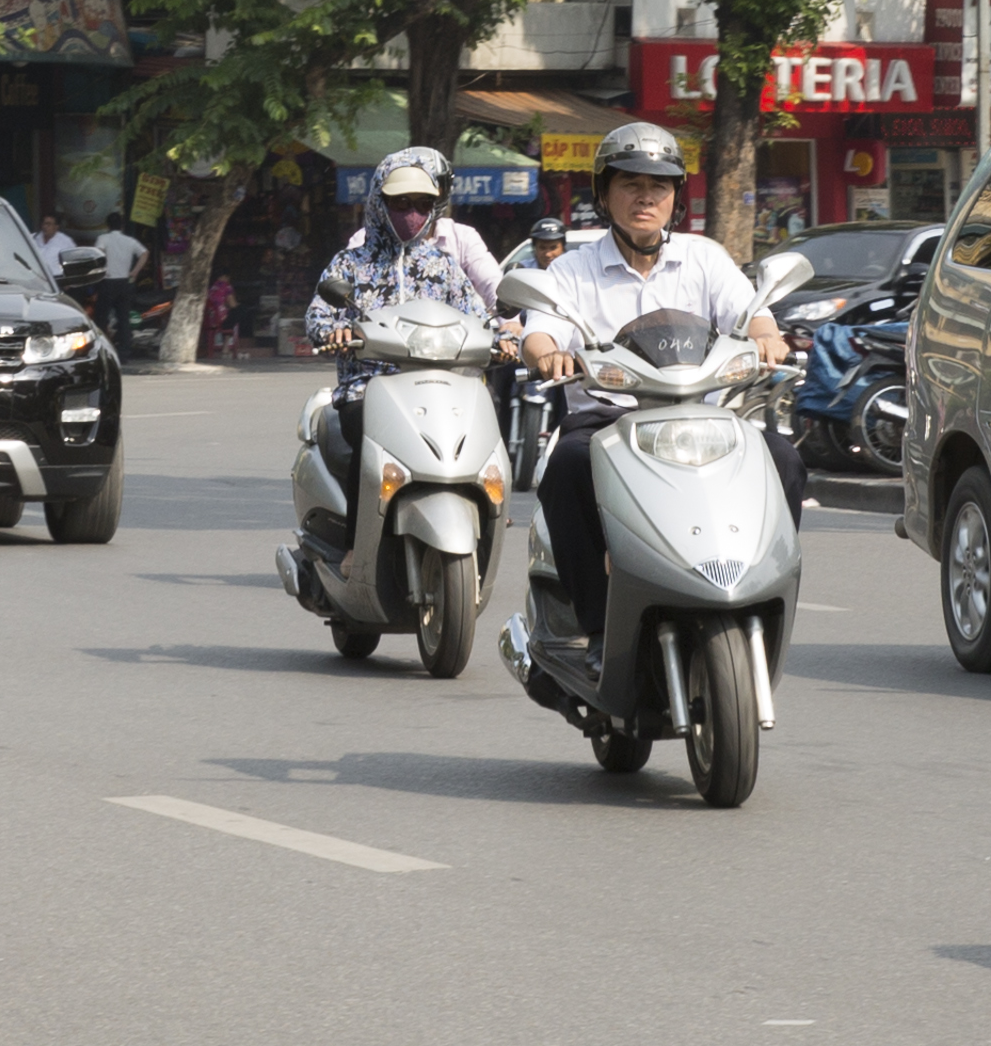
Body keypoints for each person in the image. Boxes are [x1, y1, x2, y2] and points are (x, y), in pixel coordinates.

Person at [504, 120, 788, 660]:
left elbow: (753, 315)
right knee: (564, 467)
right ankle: (599, 629)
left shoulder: (705, 259)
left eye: (659, 186)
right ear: (604, 193)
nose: (645, 197)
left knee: (782, 460)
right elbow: (540, 331)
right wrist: (547, 354)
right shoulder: (571, 270)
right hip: (607, 423)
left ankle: (758, 599)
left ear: (676, 198)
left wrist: (768, 340)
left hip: (700, 422)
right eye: (630, 183)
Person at [304, 144, 501, 489]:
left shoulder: (443, 265)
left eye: (423, 204)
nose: (413, 214)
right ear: (380, 202)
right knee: (369, 440)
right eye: (402, 203)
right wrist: (333, 331)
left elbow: (479, 316)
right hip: (367, 389)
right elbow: (318, 315)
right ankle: (356, 543)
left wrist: (505, 336)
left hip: (439, 389)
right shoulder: (351, 263)